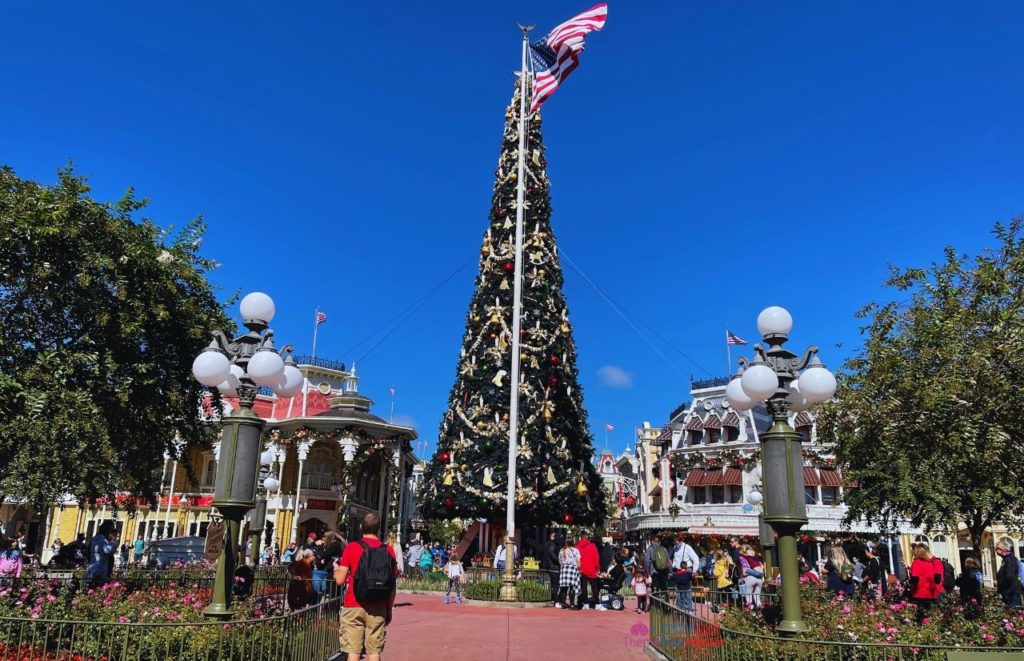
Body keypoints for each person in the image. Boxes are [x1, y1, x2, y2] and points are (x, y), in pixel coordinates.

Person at [334, 512, 397, 661]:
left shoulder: (352, 548)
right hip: (378, 606)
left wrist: (336, 569)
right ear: (379, 529)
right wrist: (388, 608)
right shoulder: (388, 550)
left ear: (362, 527)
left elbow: (340, 580)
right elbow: (392, 585)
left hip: (353, 604)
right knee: (374, 652)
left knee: (353, 652)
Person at [908, 544, 943, 622]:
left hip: (919, 593)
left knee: (920, 618)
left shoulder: (917, 562)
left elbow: (915, 578)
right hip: (932, 593)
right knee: (930, 616)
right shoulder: (930, 563)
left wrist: (910, 584)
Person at [85, 521, 117, 588]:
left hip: (94, 566)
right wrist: (113, 541)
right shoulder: (101, 539)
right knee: (97, 587)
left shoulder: (95, 538)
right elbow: (107, 550)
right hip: (99, 568)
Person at [576, 536, 604, 610]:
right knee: (594, 587)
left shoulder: (577, 546)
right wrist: (597, 568)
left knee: (583, 587)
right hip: (591, 569)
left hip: (582, 569)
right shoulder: (592, 546)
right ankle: (597, 603)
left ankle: (585, 603)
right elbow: (596, 558)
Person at [995, 539, 1022, 608]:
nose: (996, 551)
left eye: (996, 548)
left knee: (1014, 615)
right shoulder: (1005, 560)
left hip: (1012, 594)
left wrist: (1001, 584)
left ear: (1003, 549)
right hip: (1008, 593)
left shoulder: (1010, 560)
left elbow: (1010, 576)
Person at [556, 536, 581, 609]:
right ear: (572, 542)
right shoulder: (575, 550)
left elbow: (559, 561)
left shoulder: (562, 550)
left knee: (564, 587)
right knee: (572, 587)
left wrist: (564, 565)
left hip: (564, 569)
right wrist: (578, 568)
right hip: (572, 569)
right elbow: (578, 561)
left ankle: (563, 603)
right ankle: (572, 604)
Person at [738, 544, 764, 609]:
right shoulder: (755, 557)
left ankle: (750, 610)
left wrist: (744, 576)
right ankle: (759, 608)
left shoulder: (743, 557)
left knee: (748, 595)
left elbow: (745, 567)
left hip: (751, 578)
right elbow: (761, 566)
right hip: (759, 578)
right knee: (757, 596)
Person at [542, 532, 561, 605]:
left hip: (548, 566)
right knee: (555, 585)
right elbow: (552, 555)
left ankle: (551, 598)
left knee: (550, 584)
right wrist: (559, 560)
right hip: (553, 567)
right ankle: (556, 600)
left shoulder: (547, 544)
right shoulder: (552, 545)